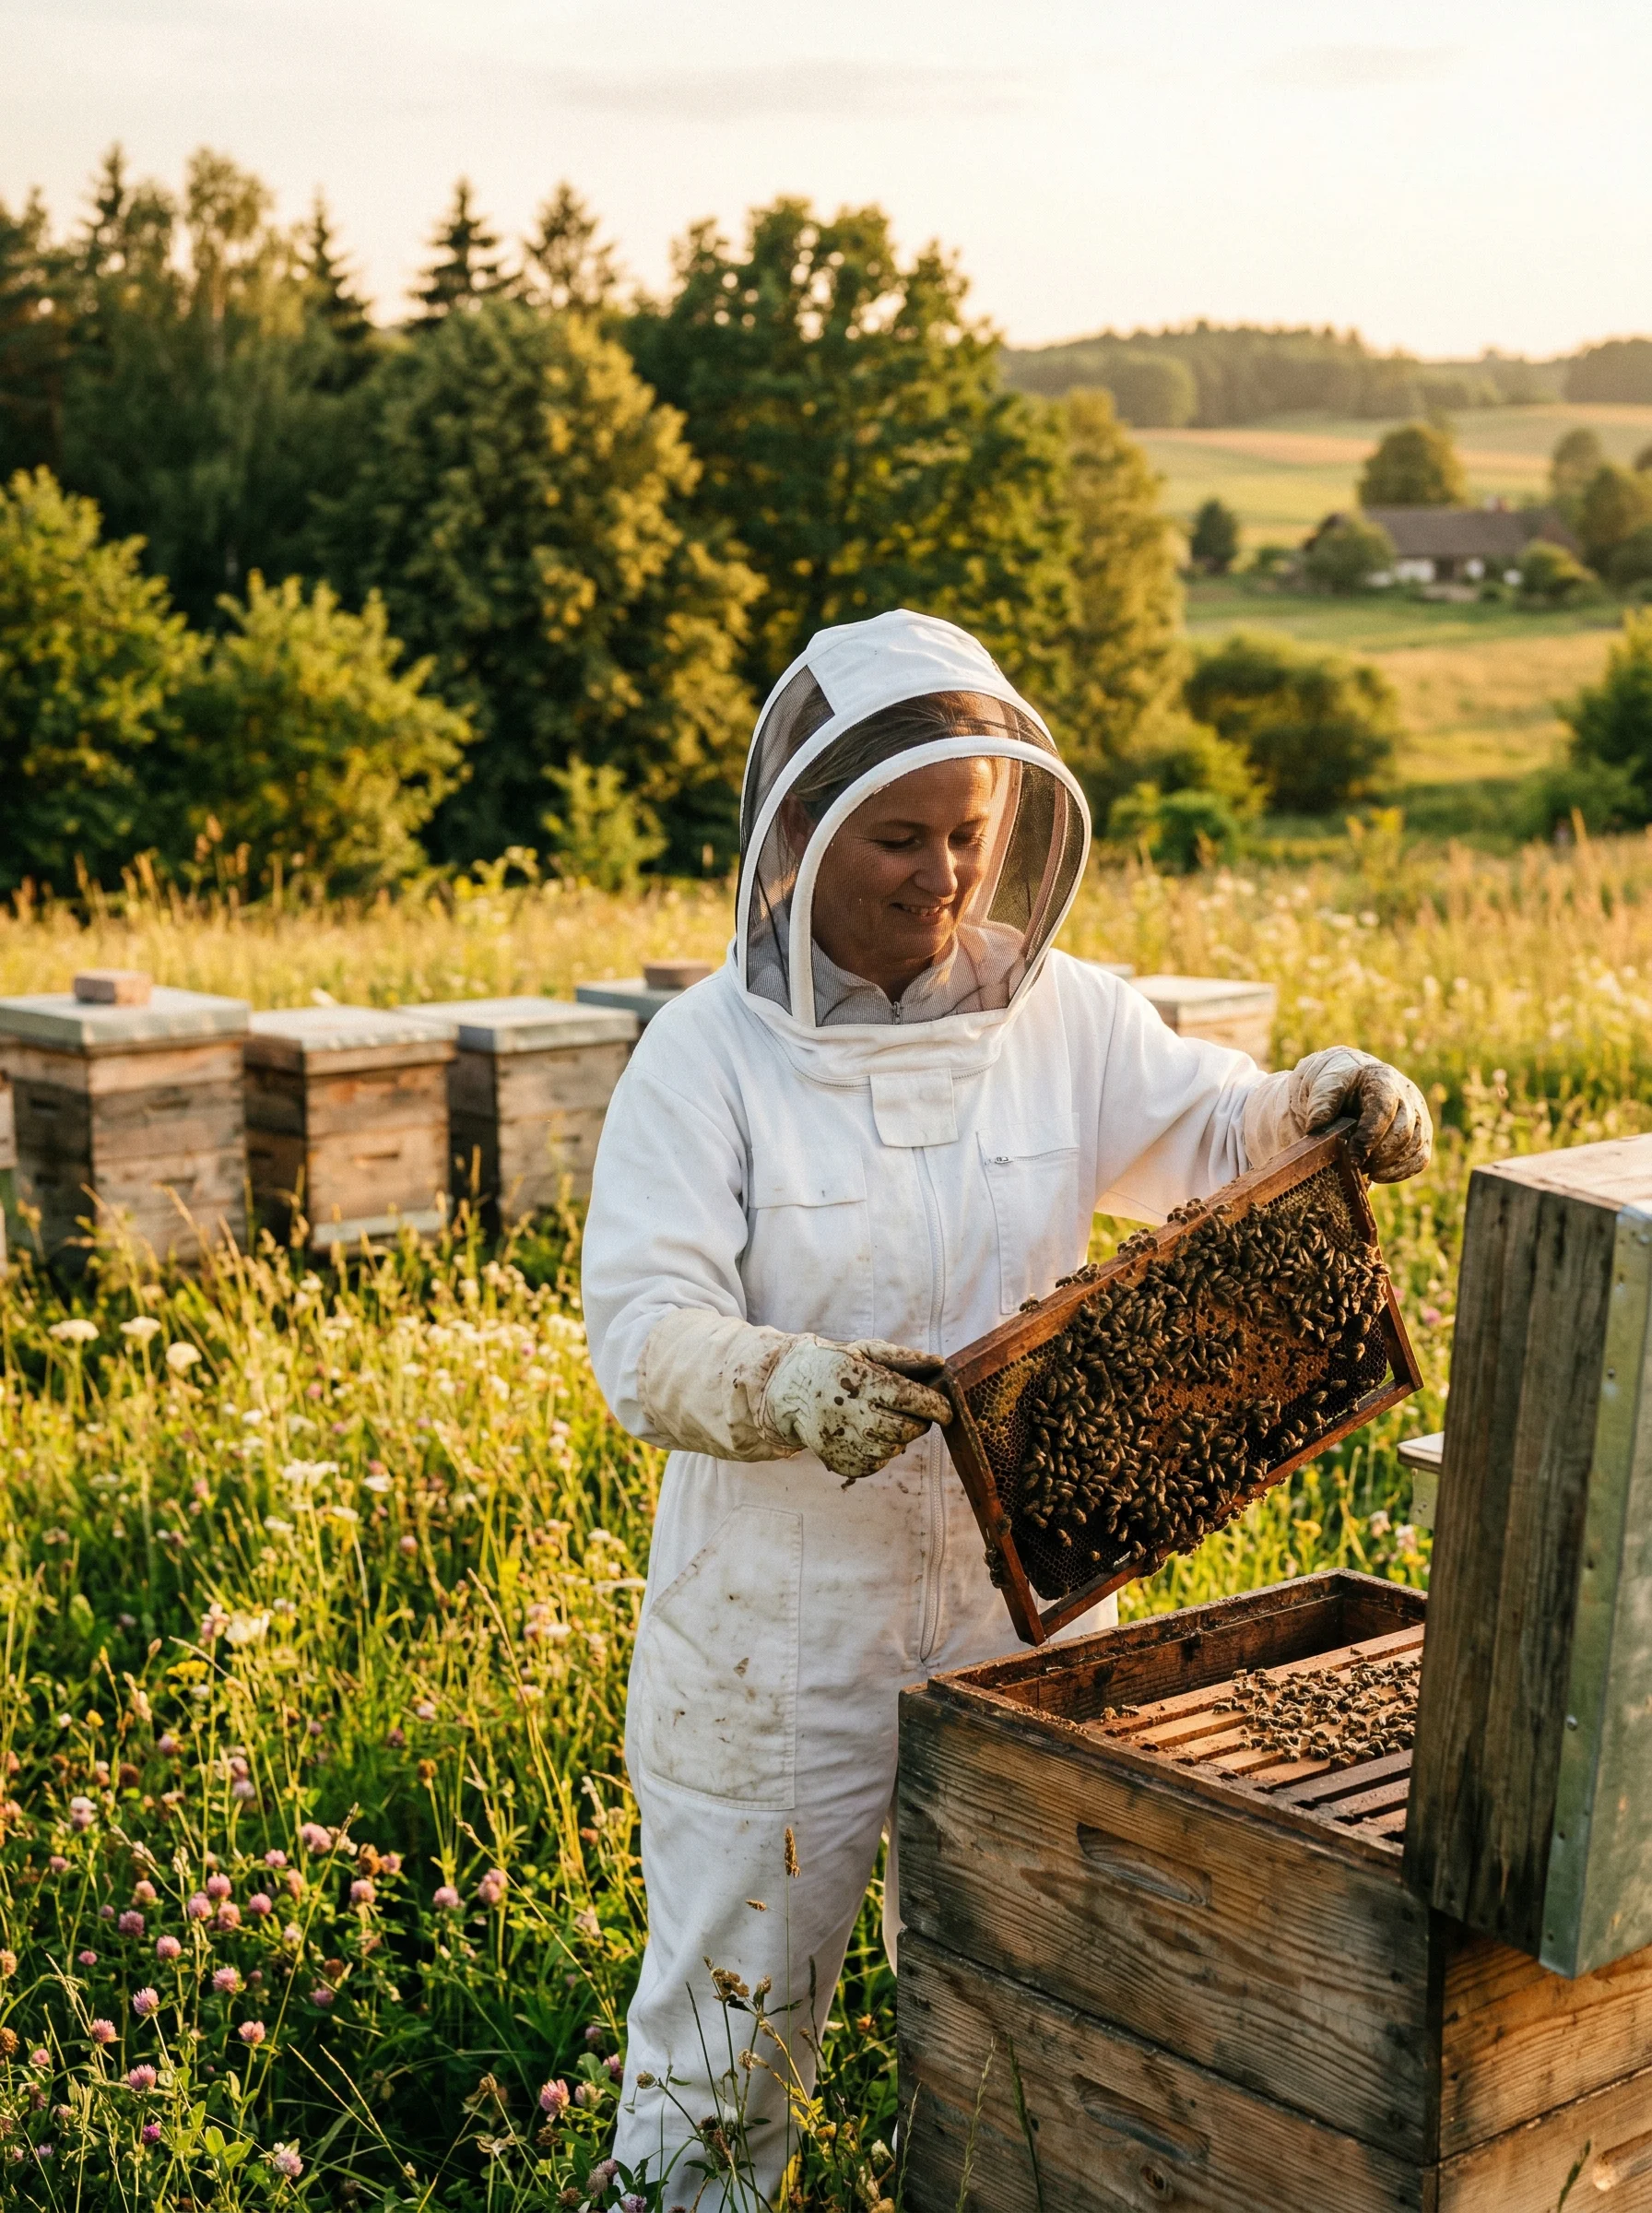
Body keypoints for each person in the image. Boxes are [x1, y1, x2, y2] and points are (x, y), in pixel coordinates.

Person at [582, 609, 1431, 2205]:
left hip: (1011, 1623)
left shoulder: (1066, 1016)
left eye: (971, 834)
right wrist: (786, 1384)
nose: (945, 874)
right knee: (722, 2046)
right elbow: (640, 1332)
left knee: (1008, 2032)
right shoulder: (706, 1062)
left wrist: (1321, 1098)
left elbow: (1218, 1134)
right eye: (900, 837)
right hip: (778, 1644)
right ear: (804, 836)